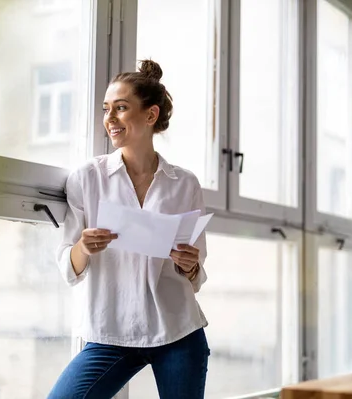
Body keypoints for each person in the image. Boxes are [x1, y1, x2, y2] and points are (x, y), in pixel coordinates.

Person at [47, 60, 210, 399]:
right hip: (111, 332)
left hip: (178, 330)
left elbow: (194, 274)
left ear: (150, 116)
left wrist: (189, 263)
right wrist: (83, 247)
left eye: (121, 108)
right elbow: (67, 265)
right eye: (107, 109)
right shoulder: (86, 178)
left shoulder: (185, 184)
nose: (110, 118)